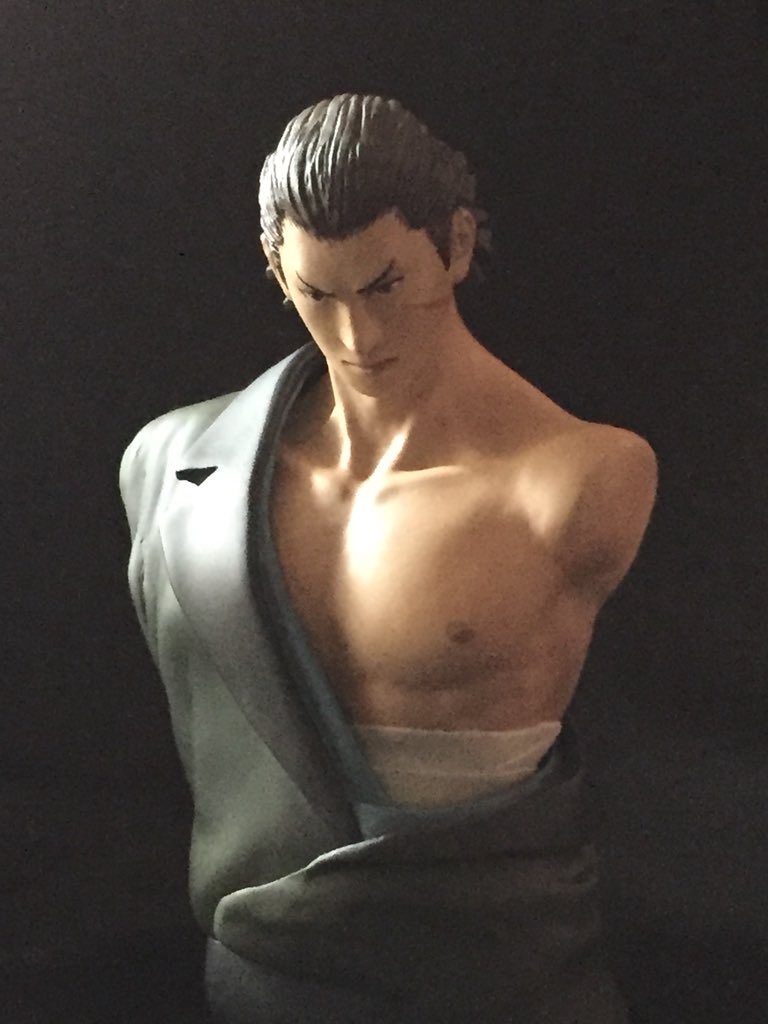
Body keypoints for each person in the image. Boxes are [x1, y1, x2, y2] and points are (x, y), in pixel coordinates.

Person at [119, 93, 656, 1023]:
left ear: (456, 245)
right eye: (318, 295)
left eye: (384, 286)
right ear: (276, 269)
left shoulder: (577, 480)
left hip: (492, 973)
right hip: (263, 975)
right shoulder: (174, 463)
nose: (356, 337)